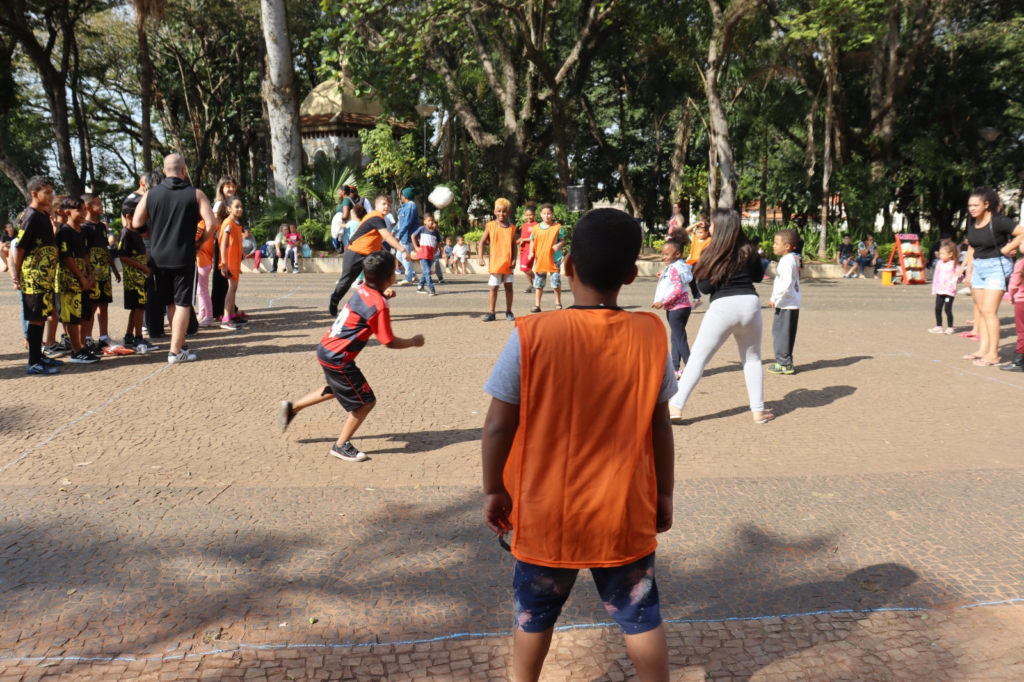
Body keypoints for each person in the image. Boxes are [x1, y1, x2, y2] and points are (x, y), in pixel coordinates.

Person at [481, 208, 676, 682]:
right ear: (632, 275)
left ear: (566, 266)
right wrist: (664, 493)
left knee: (533, 614)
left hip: (546, 515)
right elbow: (660, 426)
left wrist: (493, 489)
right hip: (623, 511)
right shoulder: (652, 334)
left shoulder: (533, 334)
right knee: (640, 615)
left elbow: (496, 427)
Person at [277, 251, 425, 461]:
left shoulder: (363, 288)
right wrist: (413, 341)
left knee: (337, 388)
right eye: (395, 270)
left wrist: (383, 294)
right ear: (390, 277)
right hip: (339, 358)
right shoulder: (379, 305)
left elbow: (370, 302)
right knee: (365, 402)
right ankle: (341, 445)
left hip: (326, 348)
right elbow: (388, 341)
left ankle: (293, 408)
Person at [669, 209, 773, 424]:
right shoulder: (749, 250)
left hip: (723, 306)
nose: (709, 228)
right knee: (752, 358)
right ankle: (758, 412)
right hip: (750, 305)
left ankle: (676, 406)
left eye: (712, 224)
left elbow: (704, 288)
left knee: (698, 358)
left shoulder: (711, 251)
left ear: (721, 227)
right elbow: (757, 277)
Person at [132, 153, 218, 364]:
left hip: (158, 255)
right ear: (184, 170)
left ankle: (180, 345)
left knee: (171, 302)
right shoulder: (196, 194)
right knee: (182, 303)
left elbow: (136, 222)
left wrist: (150, 235)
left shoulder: (150, 193)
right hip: (183, 254)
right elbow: (212, 224)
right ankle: (175, 351)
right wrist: (199, 242)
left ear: (163, 171)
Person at [961, 186, 1024, 367]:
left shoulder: (999, 221)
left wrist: (1007, 249)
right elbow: (973, 248)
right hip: (978, 268)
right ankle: (983, 349)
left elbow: (1021, 232)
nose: (972, 208)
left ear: (986, 204)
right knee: (981, 311)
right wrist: (969, 272)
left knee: (989, 311)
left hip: (996, 267)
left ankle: (993, 354)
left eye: (975, 205)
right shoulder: (973, 223)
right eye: (970, 205)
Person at [328, 195, 410, 316]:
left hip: (370, 255)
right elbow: (387, 237)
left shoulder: (379, 218)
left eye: (388, 204)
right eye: (384, 204)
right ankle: (334, 299)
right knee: (346, 281)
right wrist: (403, 250)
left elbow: (377, 239)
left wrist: (386, 254)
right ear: (376, 205)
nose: (387, 206)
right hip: (355, 252)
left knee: (377, 280)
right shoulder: (376, 217)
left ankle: (374, 307)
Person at [12, 177, 62, 374]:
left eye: (51, 192)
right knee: (35, 317)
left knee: (42, 316)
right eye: (47, 192)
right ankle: (33, 361)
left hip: (46, 276)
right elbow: (21, 248)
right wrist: (16, 275)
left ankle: (40, 356)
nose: (51, 196)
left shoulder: (42, 215)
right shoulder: (31, 216)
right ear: (34, 194)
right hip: (34, 277)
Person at [56, 196, 99, 364]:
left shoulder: (82, 231)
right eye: (79, 210)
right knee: (71, 316)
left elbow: (85, 255)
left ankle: (82, 346)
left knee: (86, 313)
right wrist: (81, 277)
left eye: (83, 209)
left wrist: (90, 274)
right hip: (69, 281)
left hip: (83, 280)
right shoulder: (64, 232)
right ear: (67, 213)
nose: (83, 212)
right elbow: (67, 257)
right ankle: (76, 351)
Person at [81, 194, 121, 351]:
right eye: (98, 204)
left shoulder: (101, 227)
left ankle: (103, 336)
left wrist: (114, 269)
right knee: (92, 305)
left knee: (104, 304)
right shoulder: (84, 227)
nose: (102, 206)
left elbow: (105, 249)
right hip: (92, 275)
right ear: (88, 207)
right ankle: (88, 337)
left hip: (104, 272)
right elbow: (84, 253)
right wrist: (89, 275)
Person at [118, 200, 156, 352]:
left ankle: (129, 336)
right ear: (129, 217)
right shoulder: (126, 233)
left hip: (140, 278)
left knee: (137, 308)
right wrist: (142, 267)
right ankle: (138, 338)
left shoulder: (137, 232)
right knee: (139, 307)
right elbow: (122, 256)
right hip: (133, 279)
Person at [652, 234, 693, 377]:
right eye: (662, 254)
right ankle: (675, 368)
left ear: (678, 253)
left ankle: (691, 367)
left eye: (667, 254)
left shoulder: (673, 269)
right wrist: (662, 277)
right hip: (685, 307)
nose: (664, 257)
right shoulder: (682, 266)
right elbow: (678, 283)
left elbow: (676, 290)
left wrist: (662, 302)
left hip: (675, 309)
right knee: (676, 337)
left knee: (679, 338)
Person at [766, 229, 802, 375]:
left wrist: (774, 298)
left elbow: (786, 282)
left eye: (776, 243)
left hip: (786, 302)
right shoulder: (792, 258)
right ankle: (786, 361)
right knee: (787, 333)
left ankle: (784, 363)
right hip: (792, 301)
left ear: (787, 246)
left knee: (780, 332)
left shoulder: (786, 260)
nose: (774, 246)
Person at [478, 198, 518, 321]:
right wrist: (480, 257)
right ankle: (491, 312)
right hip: (496, 263)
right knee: (494, 287)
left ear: (508, 213)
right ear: (494, 211)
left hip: (508, 263)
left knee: (509, 287)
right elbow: (482, 242)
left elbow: (513, 245)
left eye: (504, 211)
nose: (501, 214)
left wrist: (515, 259)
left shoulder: (512, 228)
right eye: (499, 211)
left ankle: (509, 311)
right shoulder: (490, 226)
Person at [529, 204, 565, 313]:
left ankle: (558, 302)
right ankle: (537, 305)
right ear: (540, 214)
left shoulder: (558, 227)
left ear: (552, 214)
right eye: (544, 213)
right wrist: (531, 252)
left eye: (549, 213)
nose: (546, 216)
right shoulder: (535, 228)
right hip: (541, 259)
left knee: (555, 282)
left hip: (555, 259)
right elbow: (532, 240)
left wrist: (559, 245)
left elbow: (562, 240)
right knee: (538, 283)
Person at [218, 196, 246, 330]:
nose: (240, 209)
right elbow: (223, 244)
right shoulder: (228, 222)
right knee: (232, 287)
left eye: (241, 206)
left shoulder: (237, 224)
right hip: (228, 262)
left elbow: (236, 244)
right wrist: (224, 263)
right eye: (237, 207)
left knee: (234, 288)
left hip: (234, 262)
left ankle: (232, 315)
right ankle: (226, 318)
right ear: (229, 209)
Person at [928, 240, 960, 335]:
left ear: (950, 254)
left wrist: (959, 276)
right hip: (940, 290)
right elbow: (936, 276)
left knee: (947, 309)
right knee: (937, 308)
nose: (940, 255)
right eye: (940, 253)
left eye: (942, 253)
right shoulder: (939, 263)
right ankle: (939, 326)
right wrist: (934, 289)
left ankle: (950, 327)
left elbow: (959, 276)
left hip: (949, 291)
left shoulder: (954, 264)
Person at [1001, 255, 1024, 372]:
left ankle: (1018, 362)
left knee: (1022, 332)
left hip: (1022, 300)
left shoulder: (1021, 263)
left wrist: (1011, 296)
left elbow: (1014, 283)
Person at [412, 214, 441, 296]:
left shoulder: (435, 231)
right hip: (422, 254)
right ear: (425, 221)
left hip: (430, 254)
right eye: (429, 220)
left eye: (432, 220)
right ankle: (431, 288)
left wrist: (436, 249)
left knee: (425, 271)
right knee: (428, 271)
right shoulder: (422, 229)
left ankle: (420, 286)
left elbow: (439, 241)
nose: (431, 222)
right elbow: (413, 236)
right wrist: (416, 247)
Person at [684, 215, 710, 308]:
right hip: (691, 262)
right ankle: (696, 297)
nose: (699, 234)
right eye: (698, 232)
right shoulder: (694, 237)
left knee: (695, 279)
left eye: (701, 232)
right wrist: (697, 224)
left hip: (700, 263)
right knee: (690, 279)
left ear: (707, 233)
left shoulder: (709, 240)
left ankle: (697, 296)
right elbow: (686, 230)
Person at [396, 187, 420, 286]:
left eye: (402, 195)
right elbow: (400, 222)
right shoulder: (405, 207)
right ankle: (412, 274)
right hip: (403, 235)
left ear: (405, 196)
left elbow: (407, 223)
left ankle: (408, 278)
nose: (400, 196)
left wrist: (399, 235)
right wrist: (395, 231)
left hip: (406, 236)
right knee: (399, 256)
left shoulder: (410, 207)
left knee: (404, 256)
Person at [195, 218, 217, 326]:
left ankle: (209, 316)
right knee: (200, 290)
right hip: (205, 260)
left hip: (203, 261)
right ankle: (202, 313)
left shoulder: (201, 225)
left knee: (203, 290)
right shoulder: (208, 224)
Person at [518, 202, 538, 293]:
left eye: (530, 215)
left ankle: (539, 280)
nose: (529, 217)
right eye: (527, 215)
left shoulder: (536, 225)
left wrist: (524, 240)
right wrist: (518, 241)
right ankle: (531, 286)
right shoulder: (524, 225)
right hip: (522, 249)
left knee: (524, 268)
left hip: (530, 250)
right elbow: (522, 237)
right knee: (527, 268)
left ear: (534, 215)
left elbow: (535, 238)